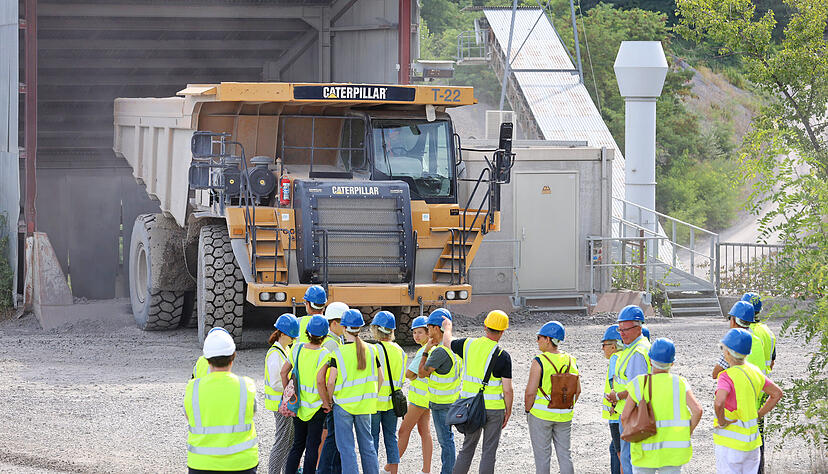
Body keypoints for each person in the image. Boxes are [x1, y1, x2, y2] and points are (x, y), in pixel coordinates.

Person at [442, 310, 513, 474]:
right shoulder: (503, 356)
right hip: (494, 409)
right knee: (489, 452)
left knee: (467, 448)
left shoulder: (468, 345)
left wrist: (448, 327)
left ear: (485, 326)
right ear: (502, 331)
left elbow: (447, 342)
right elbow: (507, 390)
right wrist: (507, 410)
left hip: (470, 407)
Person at [184, 327, 258, 473]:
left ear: (206, 359)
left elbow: (189, 416)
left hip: (202, 463)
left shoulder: (193, 388)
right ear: (233, 356)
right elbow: (252, 413)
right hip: (241, 463)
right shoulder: (246, 385)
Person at [624, 338, 703, 473]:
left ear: (650, 360)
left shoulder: (639, 383)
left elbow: (625, 416)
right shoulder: (680, 383)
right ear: (672, 363)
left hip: (644, 452)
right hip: (673, 453)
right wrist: (687, 431)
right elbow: (697, 410)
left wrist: (632, 433)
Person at [318, 309, 382, 474]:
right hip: (365, 406)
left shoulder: (337, 353)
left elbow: (330, 381)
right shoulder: (372, 350)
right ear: (360, 328)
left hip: (343, 406)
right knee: (367, 446)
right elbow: (380, 379)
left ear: (344, 328)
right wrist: (372, 395)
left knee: (346, 449)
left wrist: (330, 401)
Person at [714, 328, 783, 473]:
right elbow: (777, 394)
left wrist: (722, 421)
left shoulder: (726, 376)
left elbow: (719, 403)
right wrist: (759, 414)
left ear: (727, 353)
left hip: (730, 445)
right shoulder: (755, 372)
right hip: (752, 444)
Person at [525, 321, 579, 474]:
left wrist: (528, 410)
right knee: (565, 455)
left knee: (542, 457)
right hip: (565, 415)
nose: (537, 341)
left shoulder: (539, 361)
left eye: (539, 337)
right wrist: (565, 404)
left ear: (548, 339)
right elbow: (578, 390)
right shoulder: (571, 360)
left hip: (541, 415)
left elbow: (530, 392)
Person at [281, 315, 330, 474]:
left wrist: (288, 394)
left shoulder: (297, 348)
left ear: (308, 332)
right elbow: (321, 382)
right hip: (316, 407)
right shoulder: (324, 354)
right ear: (325, 335)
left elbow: (283, 372)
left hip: (298, 405)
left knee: (297, 445)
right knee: (312, 447)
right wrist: (326, 403)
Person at [606, 305, 652, 474]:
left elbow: (637, 388)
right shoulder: (634, 348)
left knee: (629, 459)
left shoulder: (638, 352)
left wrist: (617, 397)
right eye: (620, 329)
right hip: (629, 412)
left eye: (626, 329)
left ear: (639, 328)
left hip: (632, 414)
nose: (622, 333)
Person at [418, 308, 463, 474]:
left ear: (437, 328)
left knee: (446, 441)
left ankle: (447, 471)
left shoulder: (440, 352)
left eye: (429, 327)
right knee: (448, 440)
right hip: (452, 400)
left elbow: (422, 373)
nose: (428, 331)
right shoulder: (455, 346)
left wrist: (425, 351)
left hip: (440, 404)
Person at [396, 315, 434, 474]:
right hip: (428, 397)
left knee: (403, 431)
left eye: (420, 332)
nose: (416, 336)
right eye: (414, 333)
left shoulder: (423, 352)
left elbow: (410, 374)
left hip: (419, 399)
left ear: (428, 333)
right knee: (424, 431)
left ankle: (390, 467)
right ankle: (426, 470)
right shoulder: (432, 348)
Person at [371, 311, 407, 474]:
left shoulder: (373, 350)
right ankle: (394, 471)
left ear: (376, 329)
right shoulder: (400, 350)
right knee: (391, 438)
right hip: (393, 403)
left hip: (374, 403)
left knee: (372, 440)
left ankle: (372, 470)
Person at [743, 292, 775, 474]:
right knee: (759, 438)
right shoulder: (767, 333)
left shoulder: (741, 333)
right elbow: (771, 362)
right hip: (763, 392)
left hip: (742, 391)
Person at [265, 314, 300, 474]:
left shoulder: (284, 350)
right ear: (283, 334)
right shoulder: (275, 354)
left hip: (284, 403)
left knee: (289, 441)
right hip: (280, 404)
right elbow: (275, 382)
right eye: (292, 336)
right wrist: (292, 385)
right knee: (282, 442)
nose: (293, 339)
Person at [317, 301, 349, 474]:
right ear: (334, 323)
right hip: (329, 399)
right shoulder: (332, 344)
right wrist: (328, 400)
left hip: (329, 398)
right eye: (343, 323)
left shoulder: (336, 340)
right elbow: (328, 377)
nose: (346, 327)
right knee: (328, 437)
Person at [712, 302, 766, 379]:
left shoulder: (734, 341)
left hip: (742, 388)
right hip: (760, 387)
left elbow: (715, 374)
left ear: (733, 321)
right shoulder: (757, 340)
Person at [601, 325, 624, 474]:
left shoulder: (615, 358)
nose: (602, 348)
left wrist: (613, 404)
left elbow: (613, 382)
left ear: (613, 346)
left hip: (616, 414)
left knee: (618, 451)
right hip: (623, 412)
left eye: (604, 345)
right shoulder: (626, 356)